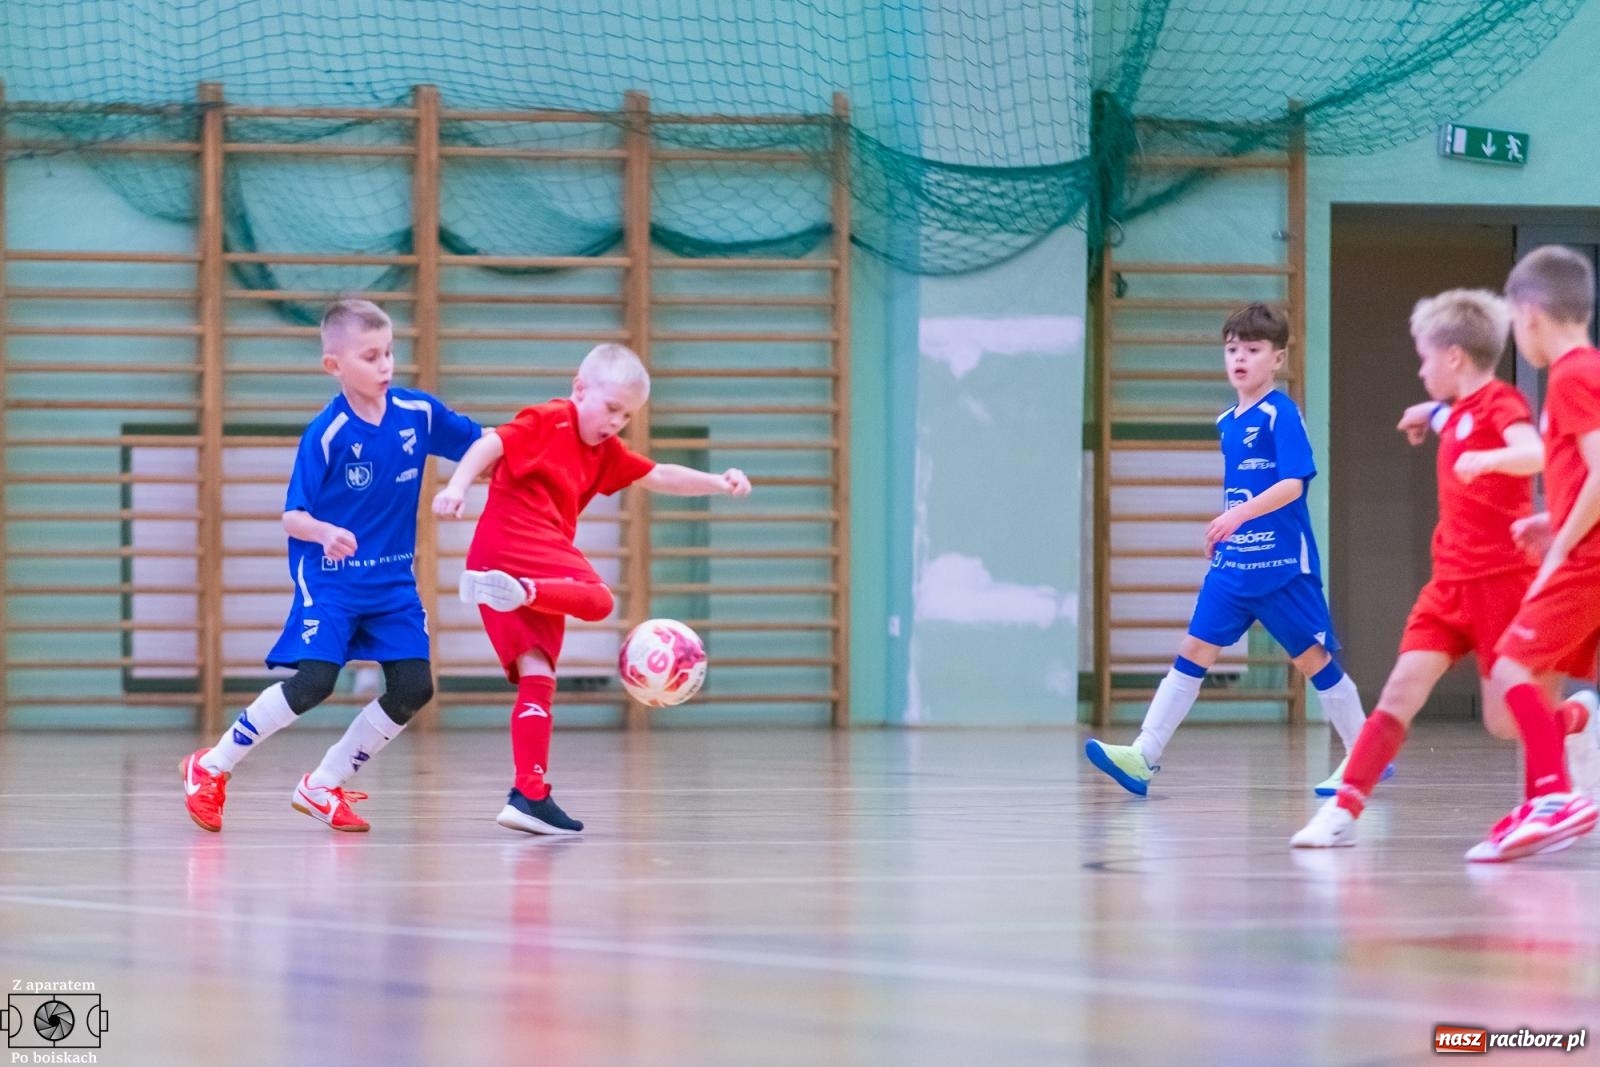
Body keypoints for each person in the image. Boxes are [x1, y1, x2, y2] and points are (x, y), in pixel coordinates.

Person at [1292, 288, 1599, 848]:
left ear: (1454, 356)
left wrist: (1491, 459)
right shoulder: (1454, 413)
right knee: (1398, 692)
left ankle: (1577, 721)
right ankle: (1343, 810)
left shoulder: (1502, 403)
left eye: (1424, 357)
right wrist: (1428, 411)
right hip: (1446, 588)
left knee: (1505, 723)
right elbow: (1452, 419)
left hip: (1502, 581)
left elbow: (1530, 451)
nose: (1420, 367)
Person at [181, 299, 481, 833]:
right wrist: (324, 532)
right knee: (315, 682)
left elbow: (485, 443)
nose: (385, 365)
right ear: (334, 365)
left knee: (414, 689)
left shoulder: (418, 413)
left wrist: (492, 470)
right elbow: (291, 516)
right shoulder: (327, 432)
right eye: (370, 356)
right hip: (332, 581)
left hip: (392, 583)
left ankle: (322, 785)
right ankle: (210, 766)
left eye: (389, 352)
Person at [432, 343, 751, 835]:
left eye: (625, 416)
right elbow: (492, 443)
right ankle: (522, 590)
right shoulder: (550, 419)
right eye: (610, 408)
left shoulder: (605, 454)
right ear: (579, 390)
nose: (615, 422)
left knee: (537, 672)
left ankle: (529, 796)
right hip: (521, 548)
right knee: (600, 600)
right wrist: (457, 486)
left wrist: (718, 481)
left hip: (501, 566)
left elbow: (660, 474)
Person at [1084, 303, 1376, 796]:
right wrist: (1224, 529)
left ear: (1277, 359)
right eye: (1232, 348)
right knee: (1193, 650)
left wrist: (1238, 516)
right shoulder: (1227, 420)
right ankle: (1142, 754)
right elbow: (1239, 492)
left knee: (1312, 659)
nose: (1240, 357)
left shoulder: (1279, 412)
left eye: (1253, 349)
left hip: (1280, 565)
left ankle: (1364, 755)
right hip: (1234, 566)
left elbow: (1293, 486)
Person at [1465, 246, 1600, 862]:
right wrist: (1554, 515)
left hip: (1586, 560)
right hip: (1583, 546)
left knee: (1514, 669)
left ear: (1530, 315)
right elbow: (1583, 473)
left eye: (1517, 326)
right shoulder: (1587, 370)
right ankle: (1539, 799)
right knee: (1538, 678)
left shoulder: (1572, 374)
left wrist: (1562, 545)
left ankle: (1554, 796)